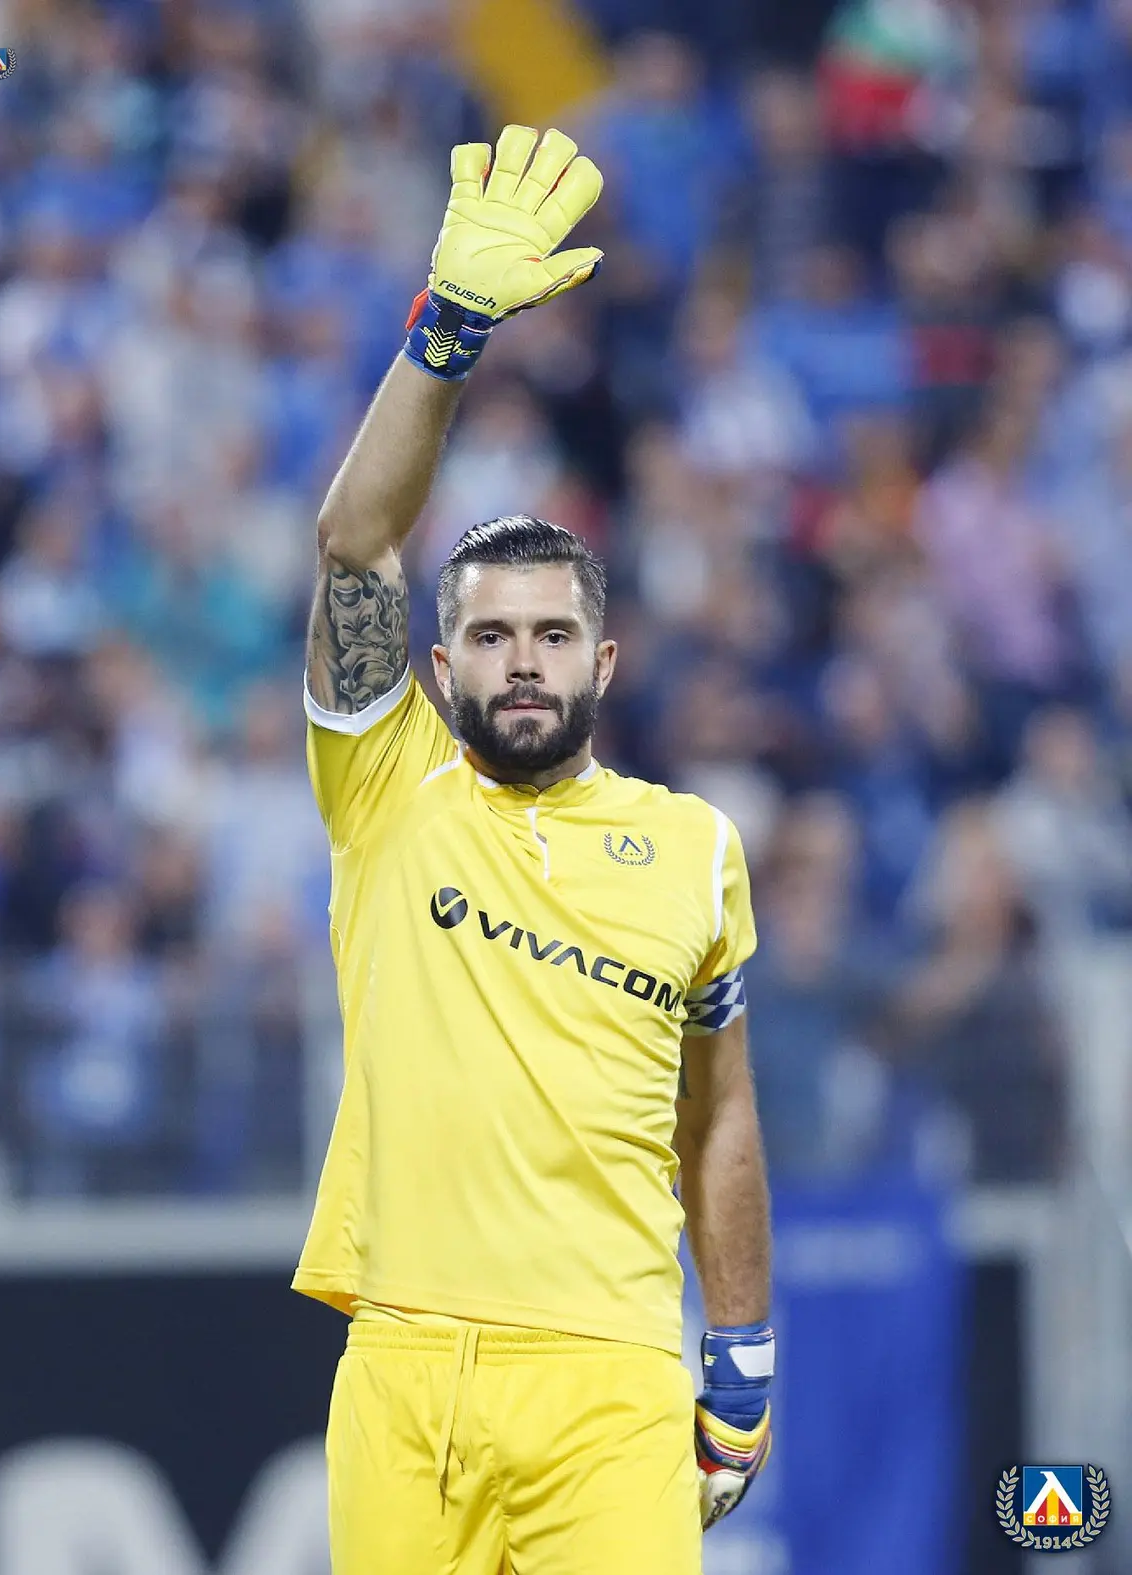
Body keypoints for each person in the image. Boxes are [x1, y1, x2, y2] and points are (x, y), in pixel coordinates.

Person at [294, 125, 773, 1575]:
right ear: (436, 666)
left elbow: (720, 1118)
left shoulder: (696, 849)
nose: (522, 659)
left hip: (615, 1379)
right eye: (491, 634)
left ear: (603, 662)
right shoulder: (387, 786)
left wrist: (741, 1353)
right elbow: (354, 542)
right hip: (409, 1367)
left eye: (553, 634)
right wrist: (448, 330)